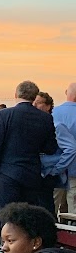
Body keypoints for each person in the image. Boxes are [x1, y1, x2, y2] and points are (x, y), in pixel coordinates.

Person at [0, 80, 58, 212]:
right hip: (31, 173)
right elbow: (50, 148)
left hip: (5, 173)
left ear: (15, 94)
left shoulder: (3, 115)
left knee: (7, 216)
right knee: (26, 217)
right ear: (34, 97)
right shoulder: (45, 118)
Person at [35, 92, 76, 217]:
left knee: (55, 207)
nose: (35, 105)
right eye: (34, 102)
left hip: (54, 173)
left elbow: (71, 148)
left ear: (48, 106)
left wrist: (57, 168)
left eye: (39, 102)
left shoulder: (56, 125)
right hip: (49, 173)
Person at [52, 82, 76, 213]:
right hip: (75, 170)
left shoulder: (54, 113)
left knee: (54, 204)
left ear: (67, 93)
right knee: (74, 206)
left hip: (57, 167)